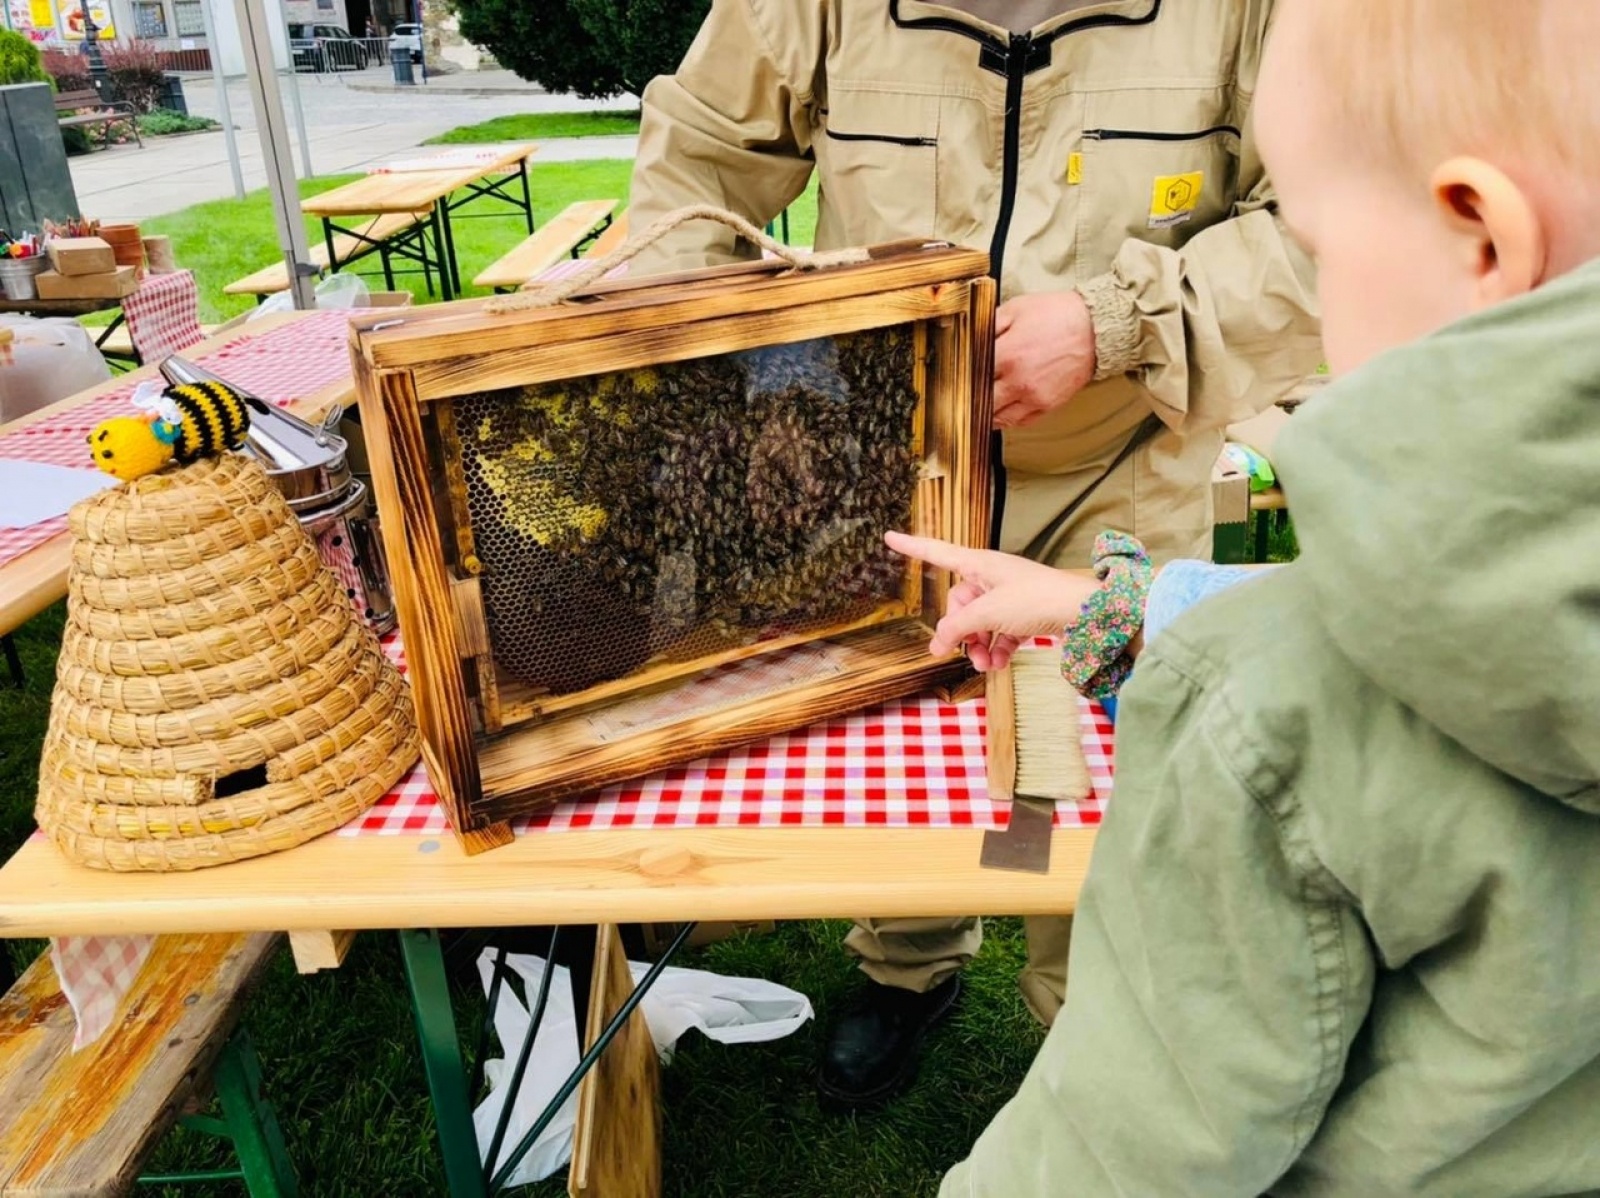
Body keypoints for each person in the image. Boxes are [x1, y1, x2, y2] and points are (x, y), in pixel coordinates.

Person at [886, 0, 1600, 1191]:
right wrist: (1095, 603)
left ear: (1480, 237)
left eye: (1316, 247)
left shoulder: (1258, 719)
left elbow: (1116, 1156)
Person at [628, 0, 1323, 1109]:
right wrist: (724, 365)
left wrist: (1114, 323)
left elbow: (1323, 222)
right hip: (885, 462)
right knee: (896, 717)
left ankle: (1085, 1015)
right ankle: (906, 965)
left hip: (1122, 460)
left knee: (1097, 767)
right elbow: (699, 165)